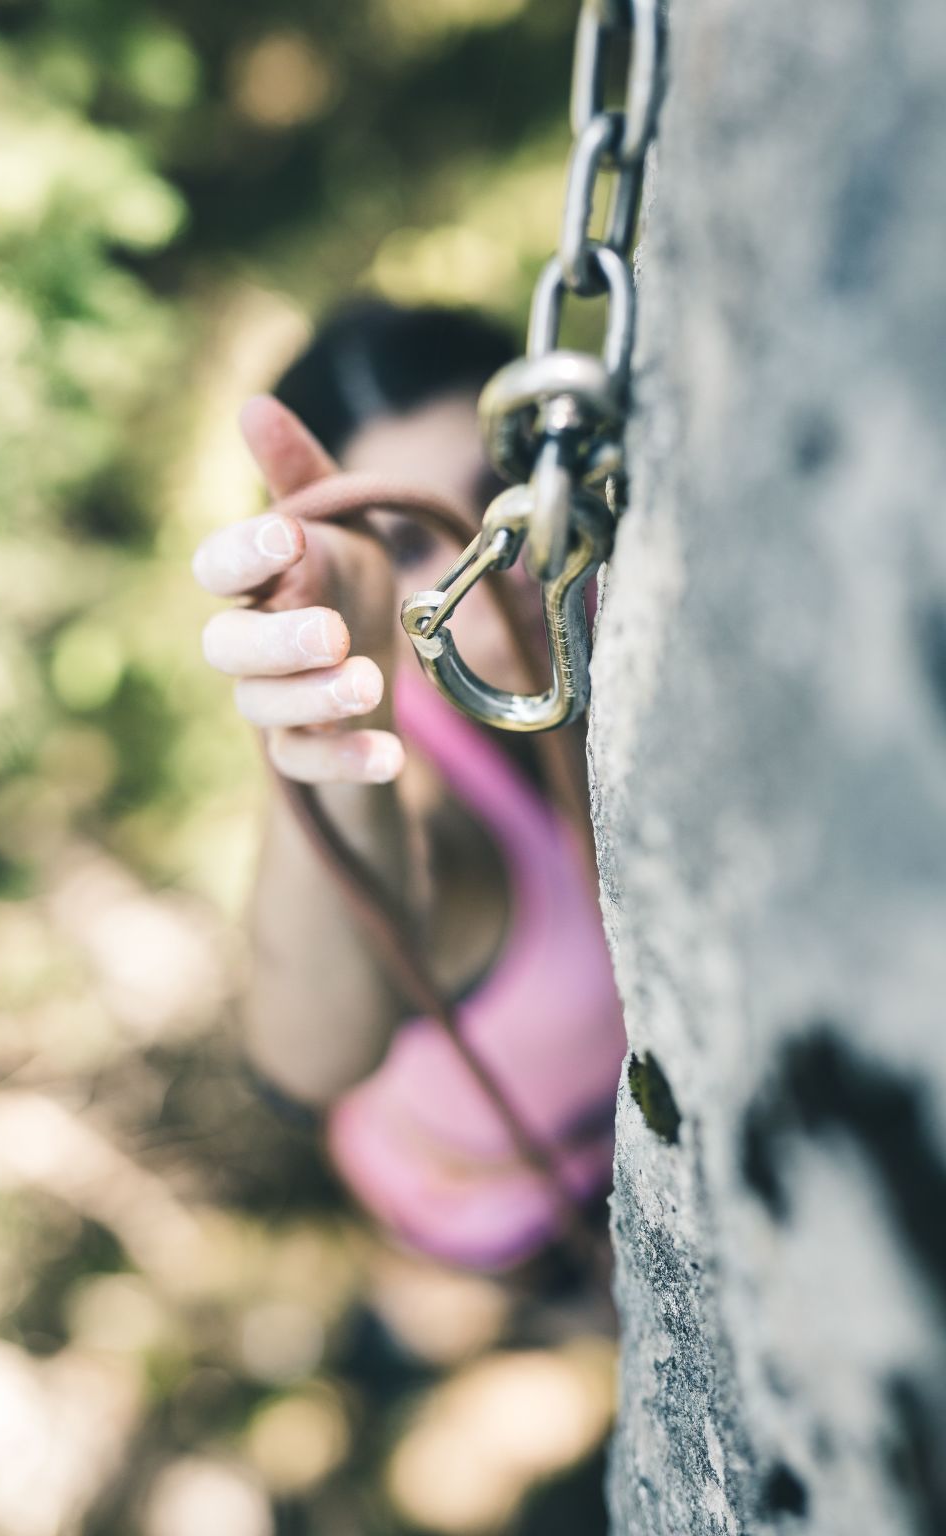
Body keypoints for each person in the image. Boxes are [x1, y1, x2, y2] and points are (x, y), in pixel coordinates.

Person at [192, 299, 626, 1272]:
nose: (503, 554)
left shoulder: (644, 608)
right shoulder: (417, 771)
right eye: (412, 546)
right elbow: (308, 1059)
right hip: (493, 1208)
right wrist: (338, 730)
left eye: (508, 486)